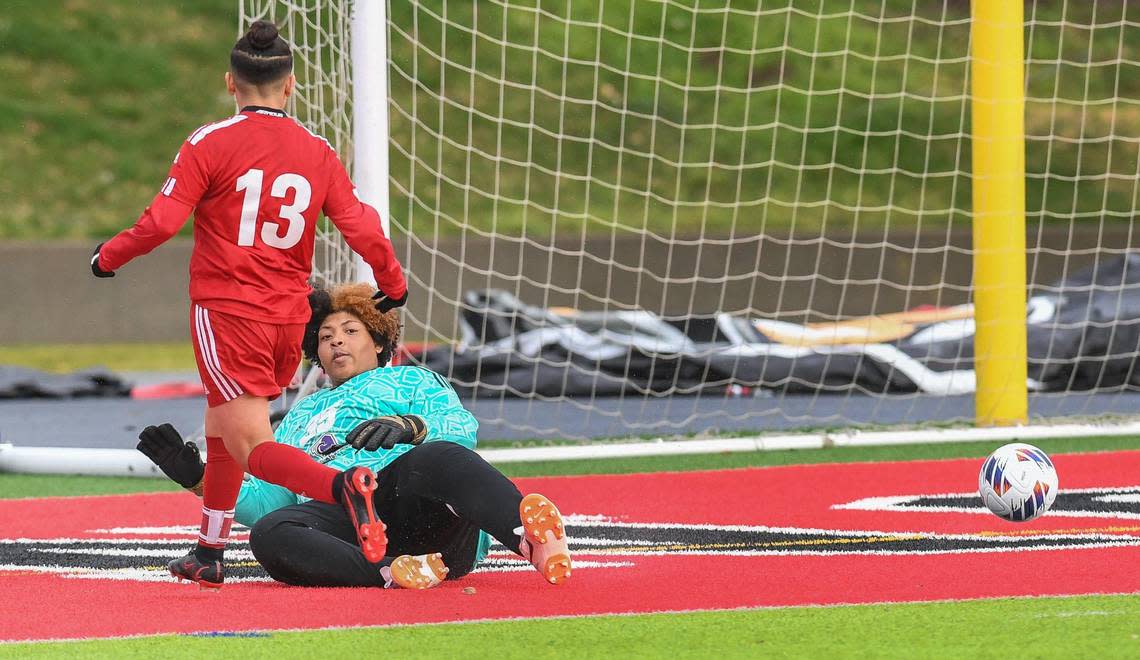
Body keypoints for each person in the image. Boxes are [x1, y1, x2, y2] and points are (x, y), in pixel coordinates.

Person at [91, 21, 407, 588]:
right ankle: (209, 551)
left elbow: (163, 221)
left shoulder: (209, 142)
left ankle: (344, 487)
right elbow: (362, 224)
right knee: (222, 425)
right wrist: (393, 281)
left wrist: (107, 258)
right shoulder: (317, 150)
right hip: (289, 320)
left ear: (231, 84)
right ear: (289, 87)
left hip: (229, 311)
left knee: (250, 442)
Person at [138, 283, 572, 589]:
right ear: (316, 353)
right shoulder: (296, 416)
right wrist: (198, 477)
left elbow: (461, 433)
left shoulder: (413, 382)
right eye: (326, 337)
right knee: (270, 532)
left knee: (438, 456)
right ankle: (389, 572)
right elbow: (270, 499)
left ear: (380, 343)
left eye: (350, 332)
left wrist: (409, 428)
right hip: (350, 523)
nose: (337, 343)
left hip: (420, 510)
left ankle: (528, 539)